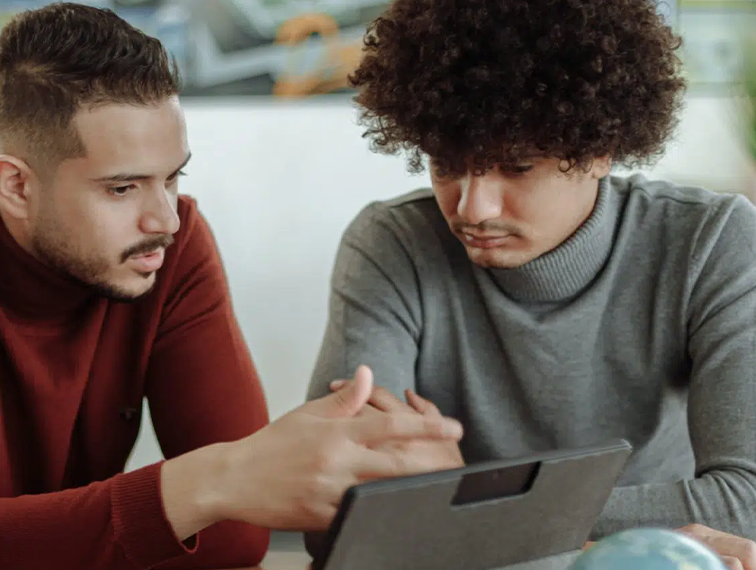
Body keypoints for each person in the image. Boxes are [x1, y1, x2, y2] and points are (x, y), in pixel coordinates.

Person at [0, 4, 467, 570]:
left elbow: (239, 539)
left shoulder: (172, 243)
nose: (164, 217)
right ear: (17, 186)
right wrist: (221, 477)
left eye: (172, 178)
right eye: (122, 187)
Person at [307, 0, 756, 552]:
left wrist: (460, 497)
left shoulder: (710, 241)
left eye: (517, 166)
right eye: (446, 163)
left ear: (600, 150)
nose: (473, 208)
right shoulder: (391, 244)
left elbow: (745, 503)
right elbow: (330, 508)